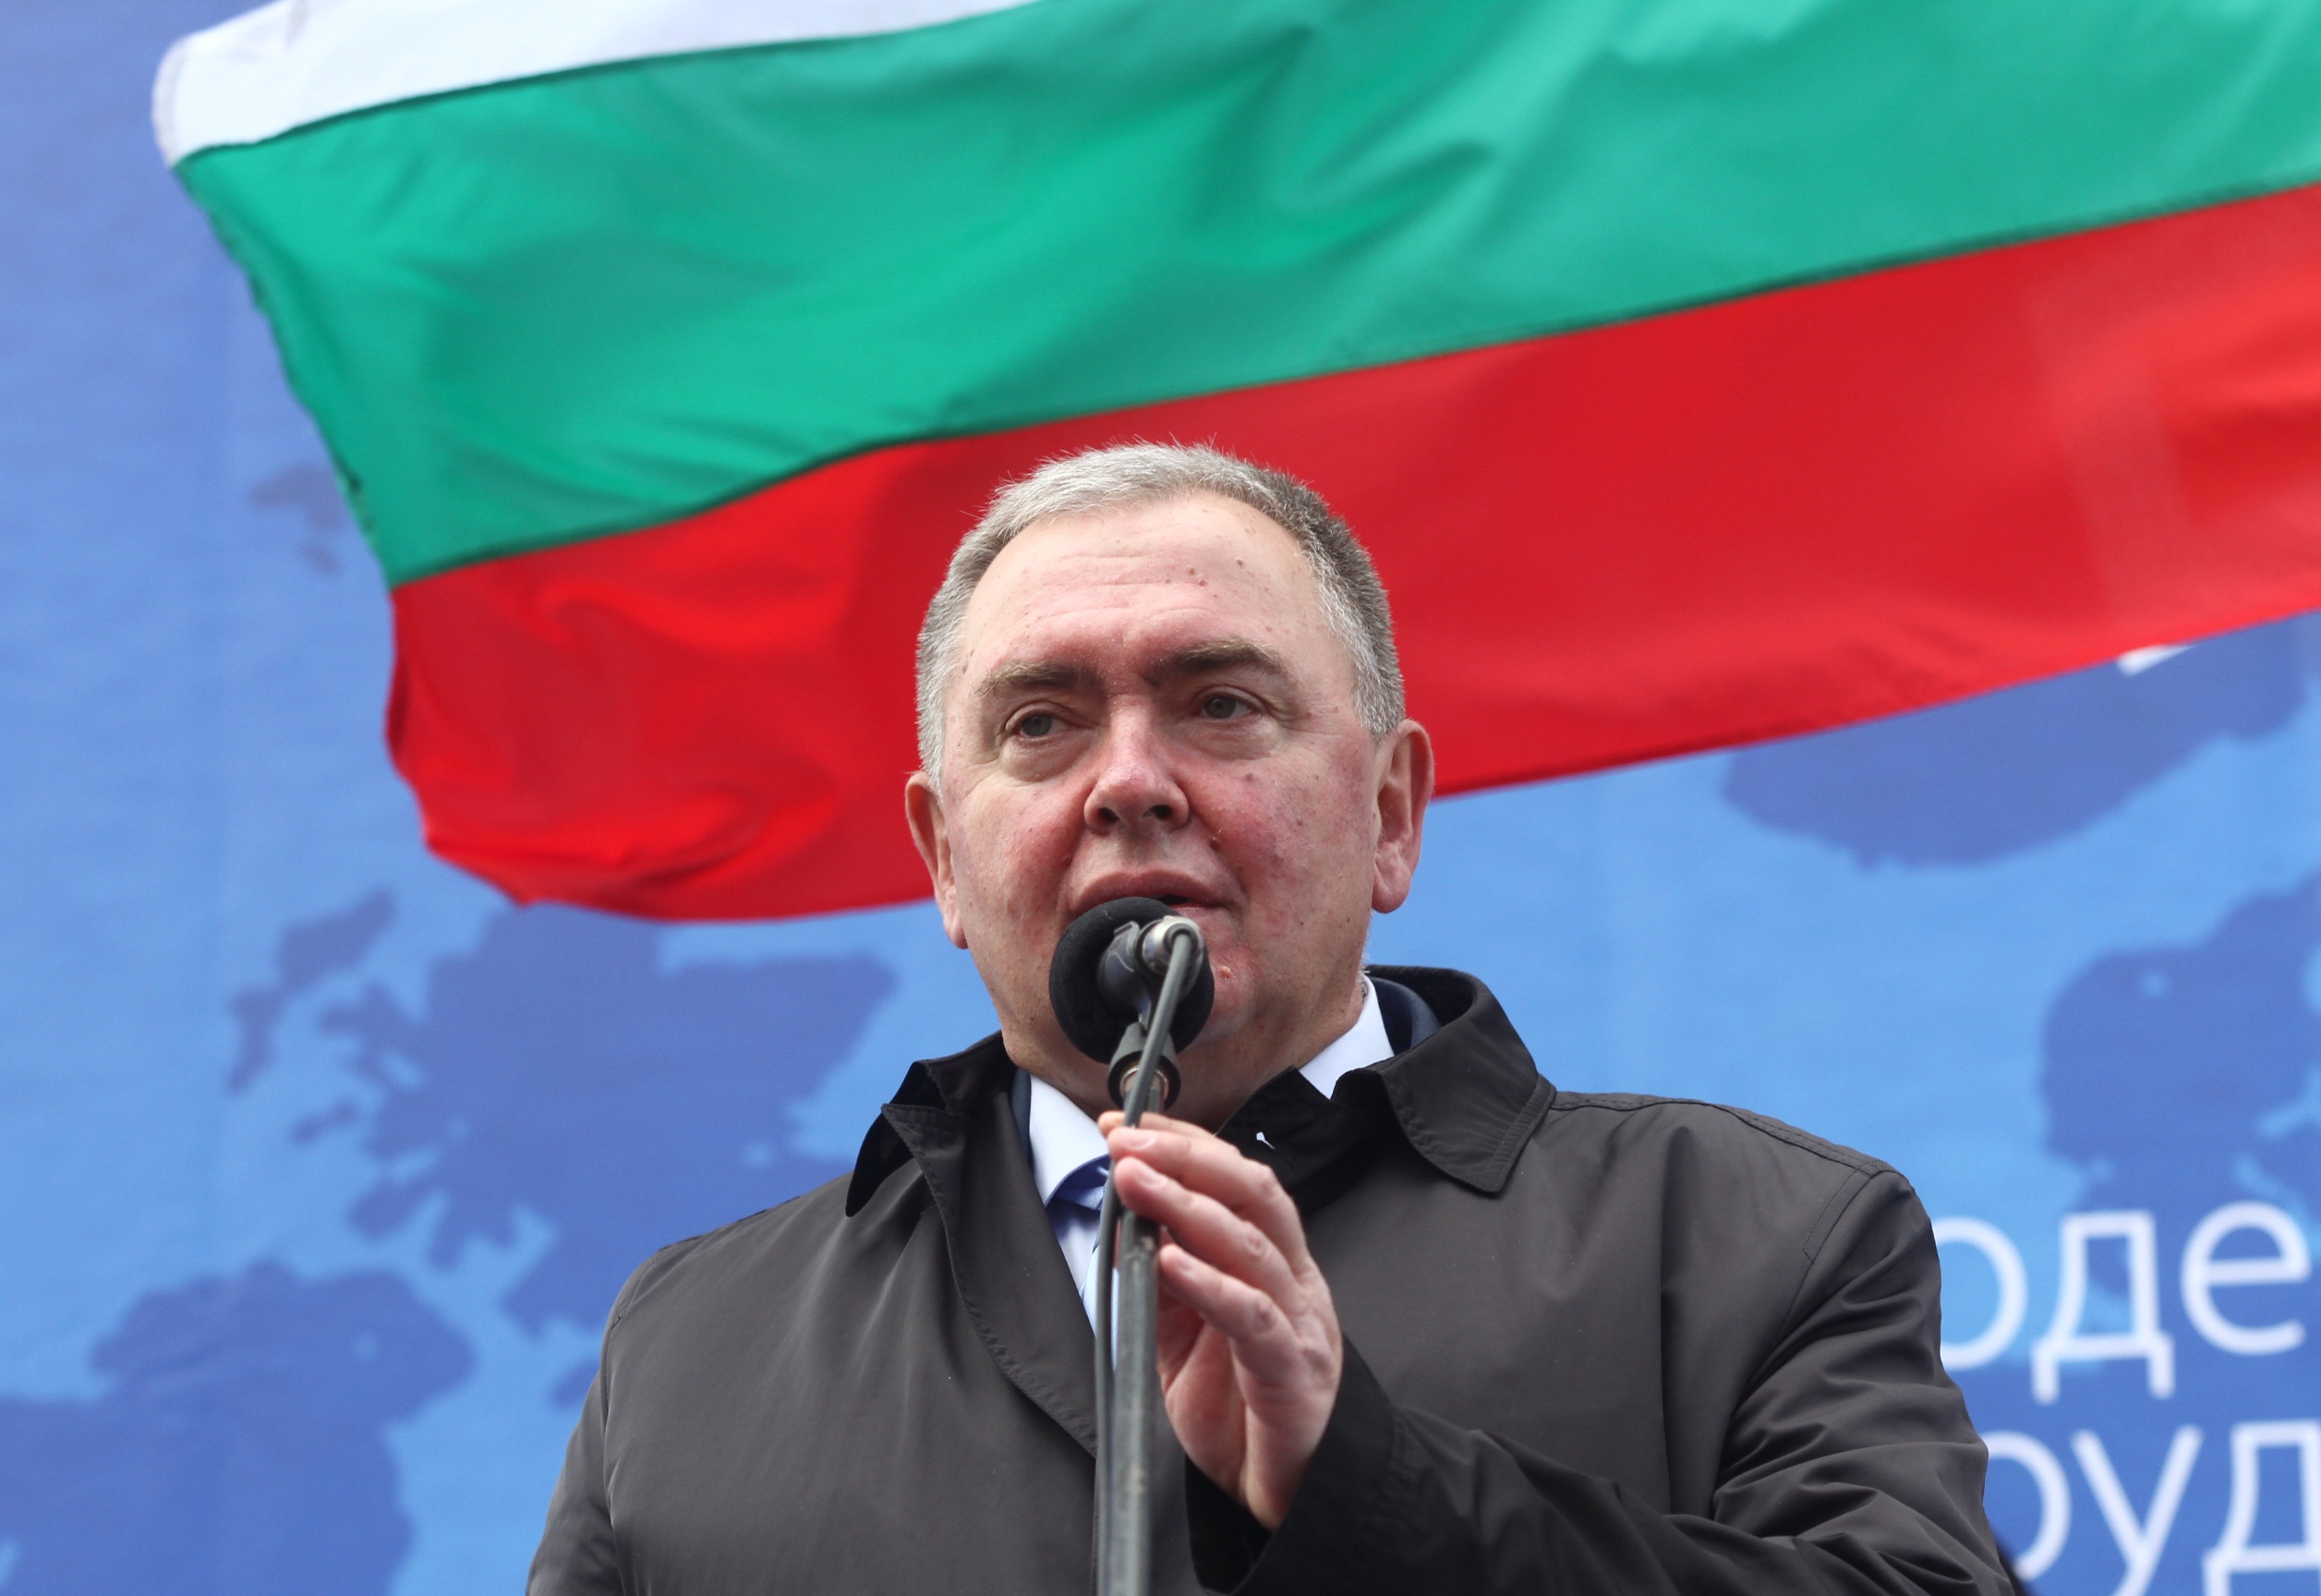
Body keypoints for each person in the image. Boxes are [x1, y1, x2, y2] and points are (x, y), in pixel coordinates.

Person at [527, 443, 2010, 1595]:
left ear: (1390, 813)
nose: (1129, 782)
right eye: (1040, 724)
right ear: (944, 864)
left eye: (1221, 705)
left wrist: (1369, 1490)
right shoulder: (692, 1345)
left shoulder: (1752, 1239)